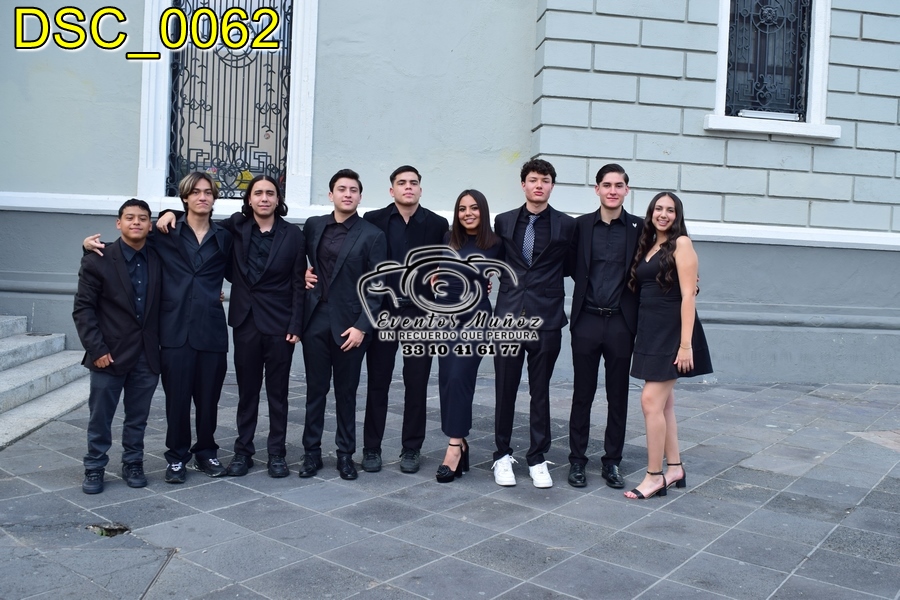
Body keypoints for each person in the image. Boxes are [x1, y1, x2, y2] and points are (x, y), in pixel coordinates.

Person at [84, 172, 233, 483]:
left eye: (208, 192)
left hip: (211, 330)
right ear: (186, 197)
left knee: (209, 399)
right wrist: (88, 247)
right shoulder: (165, 232)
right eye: (195, 192)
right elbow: (129, 242)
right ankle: (176, 457)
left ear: (214, 198)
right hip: (173, 330)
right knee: (176, 400)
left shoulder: (225, 236)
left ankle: (206, 452)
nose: (202, 197)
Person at [156, 175, 306, 478]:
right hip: (244, 321)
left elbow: (298, 282)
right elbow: (191, 219)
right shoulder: (234, 227)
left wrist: (296, 324)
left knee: (277, 393)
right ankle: (242, 451)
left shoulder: (293, 234)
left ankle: (276, 453)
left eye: (270, 193)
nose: (264, 198)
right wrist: (166, 212)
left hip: (279, 324)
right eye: (258, 193)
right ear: (249, 199)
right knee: (246, 392)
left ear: (278, 199)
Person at [491, 159, 576, 488]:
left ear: (552, 185)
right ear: (523, 184)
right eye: (533, 179)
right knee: (505, 389)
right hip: (509, 316)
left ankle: (538, 458)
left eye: (545, 180)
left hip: (547, 317)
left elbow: (574, 265)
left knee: (540, 391)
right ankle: (502, 455)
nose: (539, 185)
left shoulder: (567, 225)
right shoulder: (503, 221)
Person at [299, 169, 387, 480]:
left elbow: (377, 286)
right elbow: (295, 259)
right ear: (331, 194)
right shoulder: (314, 225)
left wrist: (362, 326)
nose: (347, 194)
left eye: (353, 190)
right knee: (315, 390)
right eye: (341, 189)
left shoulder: (372, 235)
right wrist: (302, 274)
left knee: (346, 392)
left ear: (360, 197)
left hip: (350, 326)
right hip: (315, 319)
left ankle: (345, 455)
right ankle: (311, 453)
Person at [624, 192, 712, 500]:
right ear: (651, 213)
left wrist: (685, 345)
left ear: (678, 215)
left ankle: (654, 476)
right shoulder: (648, 244)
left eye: (670, 210)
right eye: (658, 209)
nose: (663, 214)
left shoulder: (682, 243)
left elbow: (688, 296)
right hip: (651, 330)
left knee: (650, 401)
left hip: (673, 332)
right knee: (664, 404)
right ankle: (674, 468)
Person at [73, 199, 161, 494]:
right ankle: (94, 466)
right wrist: (96, 350)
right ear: (118, 223)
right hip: (107, 354)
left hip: (146, 354)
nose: (136, 222)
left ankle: (133, 462)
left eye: (143, 218)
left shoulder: (159, 257)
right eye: (130, 217)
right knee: (100, 416)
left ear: (150, 224)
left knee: (138, 417)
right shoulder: (97, 259)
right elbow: (83, 309)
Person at [565, 164, 642, 490]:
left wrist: (689, 278)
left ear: (627, 190)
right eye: (607, 185)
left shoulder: (640, 228)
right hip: (586, 320)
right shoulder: (580, 226)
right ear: (597, 189)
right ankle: (577, 461)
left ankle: (612, 461)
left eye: (618, 185)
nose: (613, 190)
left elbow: (663, 255)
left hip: (621, 323)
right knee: (582, 394)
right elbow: (569, 265)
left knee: (618, 395)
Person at [434, 190, 503, 483]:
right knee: (447, 380)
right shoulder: (448, 239)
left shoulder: (496, 243)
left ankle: (453, 448)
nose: (468, 213)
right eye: (462, 209)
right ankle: (460, 441)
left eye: (474, 208)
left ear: (483, 211)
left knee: (459, 377)